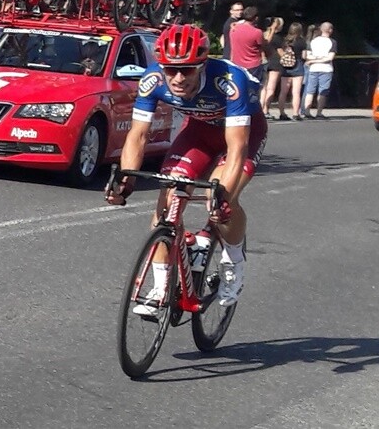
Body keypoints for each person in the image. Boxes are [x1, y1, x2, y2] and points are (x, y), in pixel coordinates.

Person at [105, 24, 266, 311]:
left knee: (217, 203)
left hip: (243, 134)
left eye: (188, 70)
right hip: (199, 133)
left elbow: (237, 146)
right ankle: (161, 286)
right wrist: (126, 180)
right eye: (170, 69)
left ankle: (234, 260)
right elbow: (138, 135)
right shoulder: (152, 79)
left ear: (203, 65)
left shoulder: (230, 81)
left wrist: (223, 197)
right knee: (167, 202)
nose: (178, 78)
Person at [302, 21, 336, 120]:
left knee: (310, 91)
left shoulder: (313, 41)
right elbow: (329, 58)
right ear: (330, 30)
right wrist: (321, 58)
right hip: (326, 69)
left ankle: (307, 112)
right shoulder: (332, 42)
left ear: (321, 29)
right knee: (322, 92)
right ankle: (319, 113)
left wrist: (313, 60)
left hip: (313, 68)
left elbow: (308, 56)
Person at [276, 21, 307, 121]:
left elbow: (280, 52)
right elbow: (304, 56)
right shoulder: (302, 41)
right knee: (296, 92)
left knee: (283, 91)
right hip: (298, 65)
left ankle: (282, 113)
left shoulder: (285, 41)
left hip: (286, 67)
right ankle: (295, 113)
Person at [227, 5, 265, 82]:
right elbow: (263, 46)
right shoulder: (257, 32)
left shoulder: (233, 29)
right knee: (255, 88)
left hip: (236, 64)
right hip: (253, 65)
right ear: (256, 18)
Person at [259, 17, 284, 119]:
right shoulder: (277, 38)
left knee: (263, 87)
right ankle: (266, 109)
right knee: (271, 87)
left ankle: (260, 109)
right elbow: (280, 52)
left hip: (264, 61)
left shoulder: (263, 35)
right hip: (275, 62)